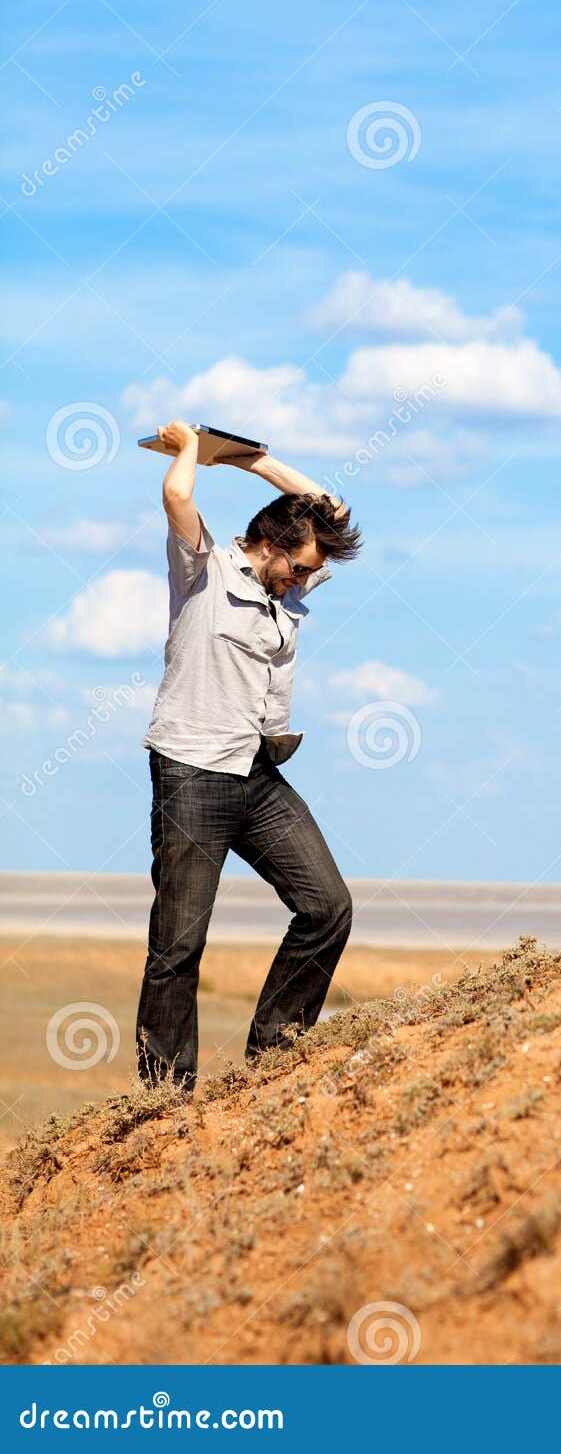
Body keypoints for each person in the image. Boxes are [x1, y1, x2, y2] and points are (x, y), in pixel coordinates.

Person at [136, 419, 363, 1090]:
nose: (304, 582)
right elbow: (178, 500)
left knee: (327, 906)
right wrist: (188, 453)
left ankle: (273, 1053)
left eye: (311, 573)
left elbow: (335, 510)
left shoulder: (285, 584)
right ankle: (162, 1096)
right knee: (178, 946)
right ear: (266, 546)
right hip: (190, 773)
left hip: (256, 774)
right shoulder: (203, 570)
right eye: (299, 567)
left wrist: (256, 462)